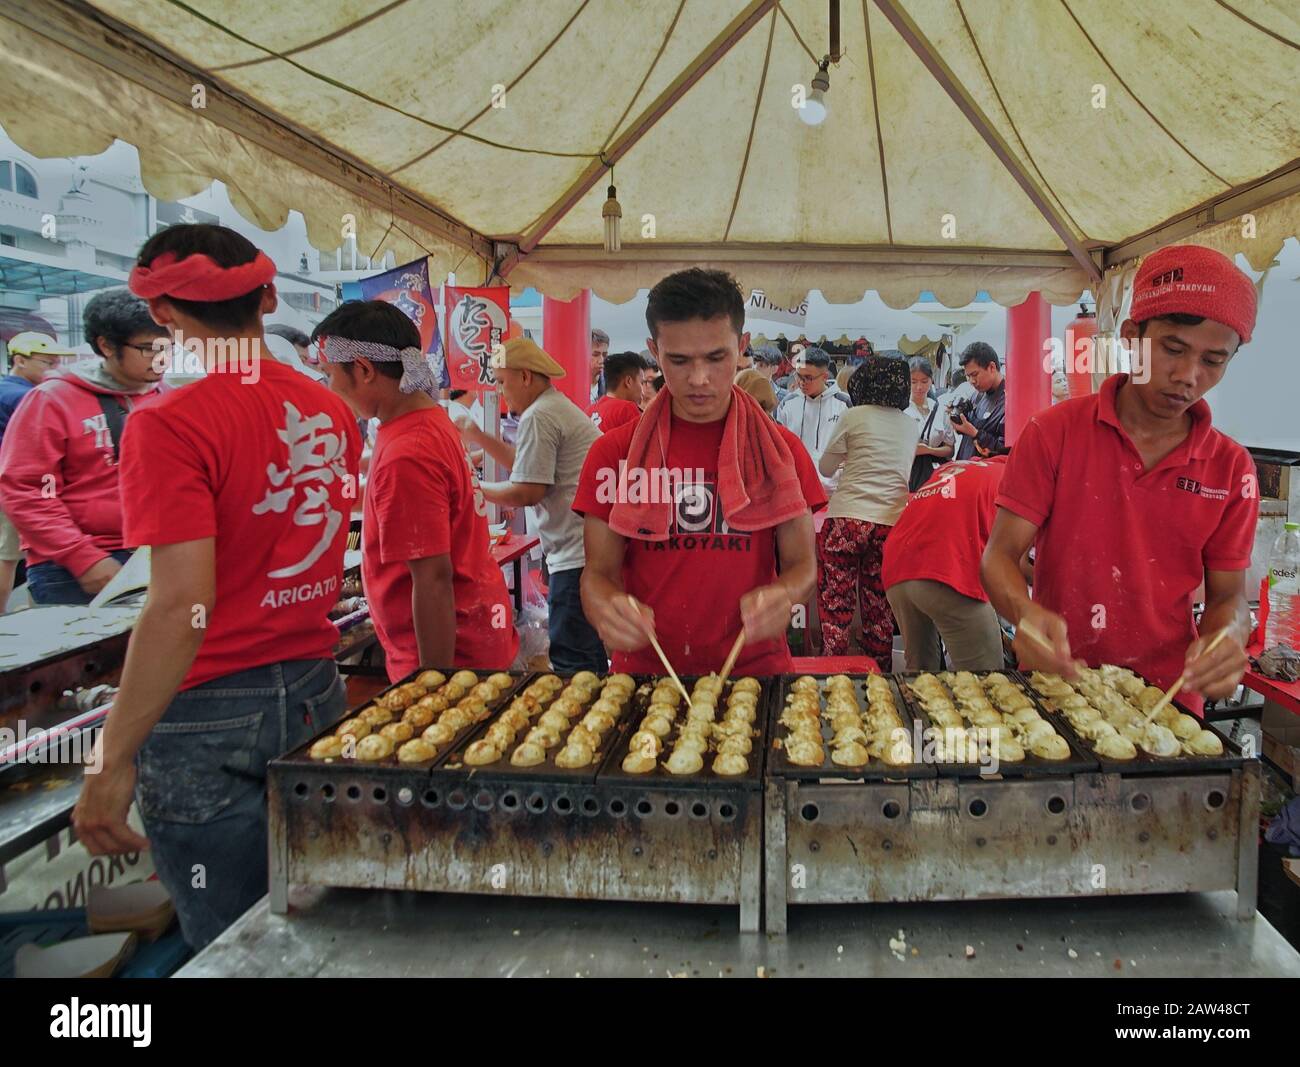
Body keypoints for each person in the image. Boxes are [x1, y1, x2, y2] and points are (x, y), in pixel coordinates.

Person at [72, 223, 362, 950]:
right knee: (316, 915)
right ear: (268, 297)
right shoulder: (330, 410)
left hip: (208, 709)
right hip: (314, 688)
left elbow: (179, 607)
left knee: (236, 938)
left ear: (164, 315)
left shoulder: (168, 423)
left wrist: (110, 760)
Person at [981, 244, 1259, 716]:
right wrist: (1024, 613)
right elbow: (999, 557)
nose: (1188, 377)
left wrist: (1230, 633)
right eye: (1172, 348)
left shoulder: (1231, 468)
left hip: (1166, 704)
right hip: (1058, 689)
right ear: (1131, 336)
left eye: (1213, 361)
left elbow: (1228, 595)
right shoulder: (1053, 433)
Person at [574, 268, 825, 677]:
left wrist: (785, 593)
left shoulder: (781, 452)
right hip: (647, 676)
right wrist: (604, 605)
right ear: (654, 352)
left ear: (742, 346)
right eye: (678, 360)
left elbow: (803, 565)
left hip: (755, 675)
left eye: (716, 357)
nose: (698, 379)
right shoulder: (613, 454)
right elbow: (597, 575)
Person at [316, 300, 516, 680]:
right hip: (471, 636)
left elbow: (432, 578)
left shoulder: (408, 451)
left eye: (329, 374)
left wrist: (433, 681)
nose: (331, 387)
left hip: (450, 654)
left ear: (363, 370)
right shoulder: (425, 420)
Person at [0, 291, 169, 605]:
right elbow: (26, 490)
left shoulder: (167, 397)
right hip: (74, 567)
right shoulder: (51, 400)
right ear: (106, 346)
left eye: (168, 346)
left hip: (157, 555)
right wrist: (82, 557)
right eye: (148, 349)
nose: (162, 358)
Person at [460, 338, 606, 673]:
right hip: (585, 549)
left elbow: (528, 490)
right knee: (585, 652)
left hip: (576, 554)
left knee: (574, 661)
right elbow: (526, 466)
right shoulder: (551, 408)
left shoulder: (540, 415)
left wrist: (473, 488)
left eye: (502, 381)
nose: (501, 391)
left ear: (525, 377)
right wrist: (479, 437)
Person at [815, 356, 918, 667]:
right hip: (892, 522)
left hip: (848, 518)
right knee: (879, 604)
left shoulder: (853, 416)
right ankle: (880, 675)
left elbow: (826, 467)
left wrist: (850, 460)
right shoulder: (910, 424)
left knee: (836, 601)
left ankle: (832, 671)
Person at [883, 456, 1010, 671]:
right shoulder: (1015, 476)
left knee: (923, 678)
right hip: (947, 569)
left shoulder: (954, 467)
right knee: (987, 684)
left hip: (897, 568)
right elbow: (1014, 561)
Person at [0, 332, 71, 608]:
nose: (54, 369)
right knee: (11, 556)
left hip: (10, 484)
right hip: (19, 486)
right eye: (47, 363)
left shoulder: (6, 389)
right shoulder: (25, 396)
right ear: (19, 360)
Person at [775, 346, 848, 492]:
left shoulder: (844, 404)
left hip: (833, 488)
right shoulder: (787, 403)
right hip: (795, 486)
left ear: (825, 376)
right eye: (799, 376)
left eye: (809, 378)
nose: (802, 382)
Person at [906, 356, 956, 490]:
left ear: (931, 380)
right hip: (906, 476)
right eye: (913, 382)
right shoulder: (901, 410)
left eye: (924, 381)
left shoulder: (940, 409)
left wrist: (929, 450)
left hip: (936, 476)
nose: (919, 387)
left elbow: (950, 450)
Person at [952, 342, 1006, 460]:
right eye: (968, 376)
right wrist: (959, 421)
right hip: (966, 465)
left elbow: (1006, 451)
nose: (971, 381)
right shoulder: (977, 394)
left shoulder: (1009, 402)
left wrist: (975, 433)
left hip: (989, 473)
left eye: (975, 374)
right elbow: (968, 426)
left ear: (992, 367)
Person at [588, 350, 646, 433]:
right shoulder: (627, 409)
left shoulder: (589, 410)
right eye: (642, 383)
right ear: (628, 381)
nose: (643, 391)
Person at [748, 343, 790, 408]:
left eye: (761, 365)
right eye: (754, 363)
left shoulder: (784, 397)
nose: (754, 368)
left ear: (774, 369)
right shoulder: (743, 391)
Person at [589, 327, 609, 403]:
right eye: (595, 354)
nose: (601, 360)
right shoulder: (571, 385)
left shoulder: (612, 387)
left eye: (604, 355)